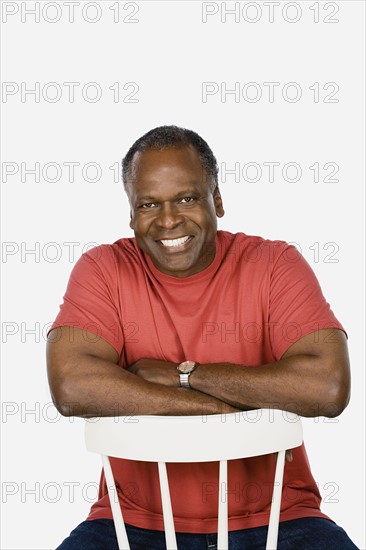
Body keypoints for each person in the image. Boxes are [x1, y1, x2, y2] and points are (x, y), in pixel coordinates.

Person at [46, 125, 358, 549]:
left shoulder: (274, 264)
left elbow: (327, 387)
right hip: (131, 523)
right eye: (149, 204)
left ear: (218, 200)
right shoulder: (103, 270)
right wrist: (218, 408)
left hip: (279, 519)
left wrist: (184, 375)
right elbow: (72, 386)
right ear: (131, 213)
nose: (169, 219)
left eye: (187, 198)